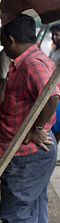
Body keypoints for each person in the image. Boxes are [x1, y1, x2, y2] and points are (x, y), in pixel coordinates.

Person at [0, 14, 59, 223]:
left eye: (3, 41)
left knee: (17, 219)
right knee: (33, 213)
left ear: (10, 39)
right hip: (27, 155)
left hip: (24, 157)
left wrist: (35, 128)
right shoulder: (27, 61)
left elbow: (52, 96)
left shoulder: (33, 63)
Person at [47, 23, 60, 164]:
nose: (54, 37)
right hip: (55, 91)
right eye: (53, 34)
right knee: (54, 126)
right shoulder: (54, 50)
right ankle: (53, 153)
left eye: (57, 34)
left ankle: (53, 153)